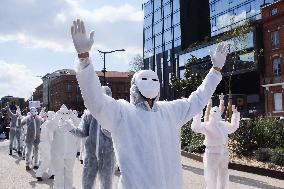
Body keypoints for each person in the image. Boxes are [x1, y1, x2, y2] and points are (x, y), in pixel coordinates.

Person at [71, 19, 228, 189]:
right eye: (144, 79)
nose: (150, 82)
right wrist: (84, 59)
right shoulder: (123, 113)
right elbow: (96, 101)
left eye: (154, 79)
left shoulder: (170, 111)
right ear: (134, 86)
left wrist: (215, 71)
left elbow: (197, 99)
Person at [70, 86, 115, 189]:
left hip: (108, 156)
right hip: (91, 156)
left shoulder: (114, 114)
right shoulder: (89, 114)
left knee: (106, 185)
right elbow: (82, 133)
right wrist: (71, 128)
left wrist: (109, 132)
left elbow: (120, 133)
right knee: (87, 184)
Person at [191, 103, 240, 189]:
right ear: (210, 114)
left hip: (223, 154)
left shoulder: (223, 125)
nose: (215, 115)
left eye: (216, 113)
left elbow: (233, 127)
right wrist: (198, 114)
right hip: (211, 155)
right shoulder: (207, 125)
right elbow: (196, 127)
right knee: (211, 177)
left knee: (223, 175)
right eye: (213, 113)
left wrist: (235, 114)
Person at [50, 105, 79, 189]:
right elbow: (50, 128)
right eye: (62, 113)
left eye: (66, 113)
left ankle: (68, 187)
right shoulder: (56, 124)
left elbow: (80, 125)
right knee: (58, 172)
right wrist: (56, 117)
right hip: (58, 153)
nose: (64, 115)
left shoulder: (72, 124)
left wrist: (73, 116)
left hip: (70, 152)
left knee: (69, 172)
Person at [36, 111, 56, 181]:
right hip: (46, 144)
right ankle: (39, 174)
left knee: (50, 159)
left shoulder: (46, 122)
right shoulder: (49, 123)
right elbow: (51, 137)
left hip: (44, 143)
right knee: (48, 159)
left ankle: (52, 173)